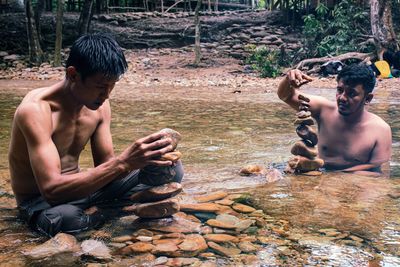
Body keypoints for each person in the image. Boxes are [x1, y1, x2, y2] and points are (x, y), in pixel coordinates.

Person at [8, 33, 183, 237]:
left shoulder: (99, 105)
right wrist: (123, 162)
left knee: (170, 168)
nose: (107, 94)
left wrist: (143, 158)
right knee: (66, 219)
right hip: (41, 202)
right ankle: (116, 214)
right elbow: (51, 190)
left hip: (86, 191)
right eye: (101, 86)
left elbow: (106, 166)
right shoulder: (35, 111)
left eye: (112, 86)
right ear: (73, 75)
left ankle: (101, 216)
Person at [277, 64, 392, 175]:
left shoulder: (380, 129)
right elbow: (286, 96)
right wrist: (288, 79)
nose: (342, 98)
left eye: (351, 93)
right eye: (340, 90)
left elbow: (377, 169)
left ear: (367, 98)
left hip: (353, 181)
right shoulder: (324, 110)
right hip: (320, 174)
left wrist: (335, 176)